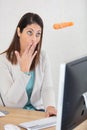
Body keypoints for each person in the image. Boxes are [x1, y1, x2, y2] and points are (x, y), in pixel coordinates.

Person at [0, 12, 57, 117]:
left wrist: (50, 106)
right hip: (15, 114)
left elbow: (47, 87)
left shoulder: (43, 56)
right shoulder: (3, 60)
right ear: (19, 32)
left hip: (37, 113)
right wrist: (24, 72)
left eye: (38, 34)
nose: (34, 39)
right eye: (29, 32)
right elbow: (10, 102)